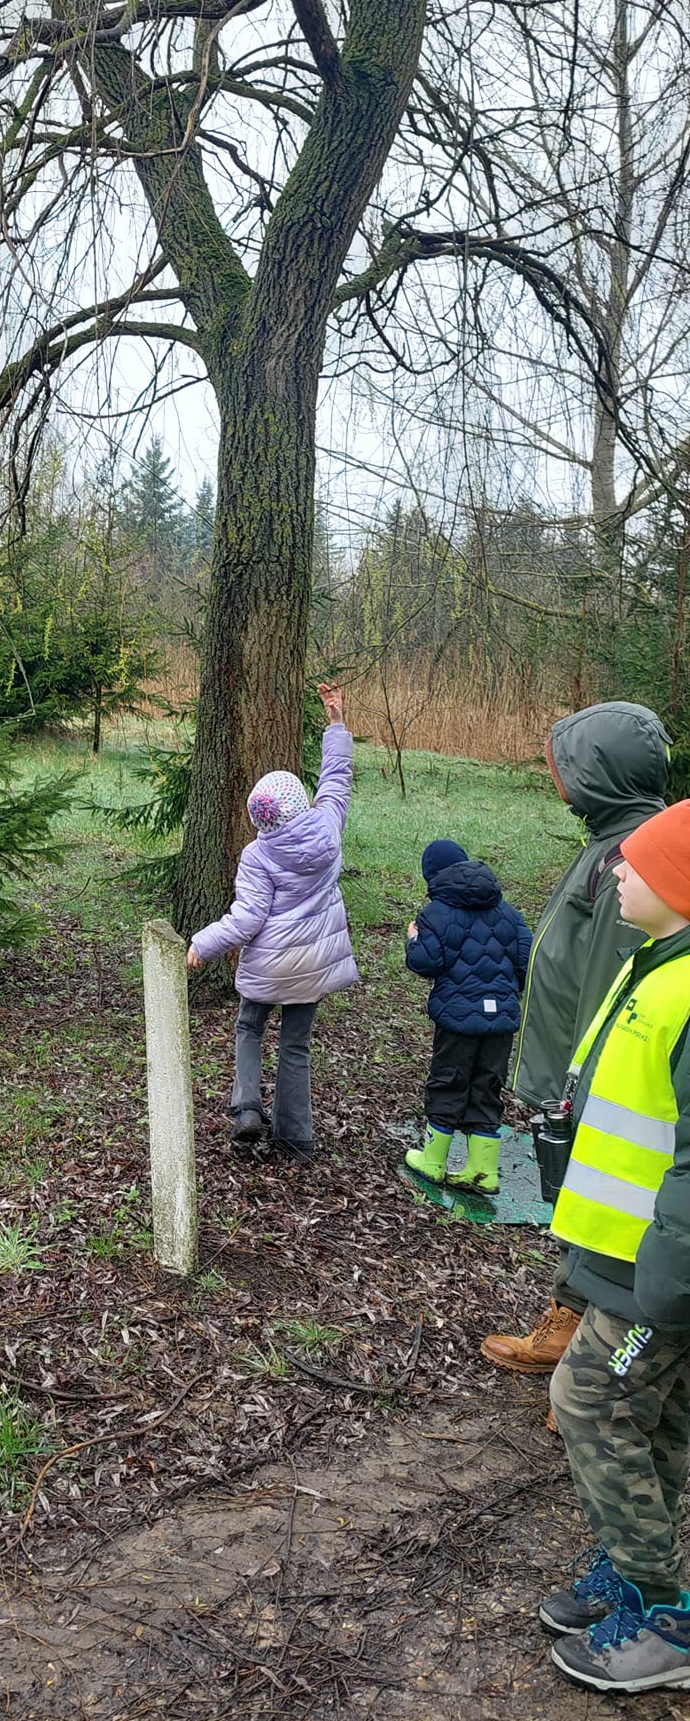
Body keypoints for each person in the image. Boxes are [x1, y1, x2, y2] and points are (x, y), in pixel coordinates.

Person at [538, 800, 690, 1694]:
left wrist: (666, 1279)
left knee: (589, 1395)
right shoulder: (660, 962)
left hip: (661, 1270)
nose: (617, 873)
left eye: (635, 864)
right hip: (635, 1254)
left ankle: (662, 1609)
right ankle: (640, 1576)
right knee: (660, 1417)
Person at [482, 702, 670, 1376]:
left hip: (594, 1083)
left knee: (609, 1212)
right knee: (572, 1203)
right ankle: (569, 1326)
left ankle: (594, 1368)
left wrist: (577, 1085)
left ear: (601, 770)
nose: (553, 772)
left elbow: (622, 983)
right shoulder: (609, 839)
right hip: (570, 1072)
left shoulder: (636, 853)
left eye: (565, 760)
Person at [186, 683, 358, 1160]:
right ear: (300, 803)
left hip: (269, 964)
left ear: (261, 820)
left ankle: (245, 1109)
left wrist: (202, 944)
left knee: (249, 1027)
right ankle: (295, 1138)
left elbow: (246, 920)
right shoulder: (327, 825)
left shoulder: (258, 855)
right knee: (296, 1045)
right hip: (316, 963)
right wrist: (336, 723)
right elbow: (337, 778)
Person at [403, 841, 532, 1193]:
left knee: (449, 1079)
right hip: (500, 1021)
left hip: (457, 1020)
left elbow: (426, 963)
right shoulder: (507, 912)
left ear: (433, 876)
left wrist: (413, 940)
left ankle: (433, 1161)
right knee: (488, 1084)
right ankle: (484, 1170)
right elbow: (526, 958)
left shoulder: (436, 914)